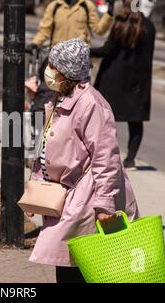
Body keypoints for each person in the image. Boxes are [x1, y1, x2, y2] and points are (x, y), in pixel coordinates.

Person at [25, 39, 139, 283]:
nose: (48, 71)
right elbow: (47, 146)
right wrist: (36, 192)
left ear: (67, 72)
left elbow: (106, 158)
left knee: (77, 267)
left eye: (53, 67)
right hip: (67, 197)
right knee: (66, 262)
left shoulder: (91, 104)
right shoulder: (61, 98)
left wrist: (105, 205)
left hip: (87, 200)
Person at [91, 0, 156, 169]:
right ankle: (130, 158)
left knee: (104, 119)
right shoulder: (149, 26)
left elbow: (107, 50)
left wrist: (85, 49)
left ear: (124, 2)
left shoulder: (119, 24)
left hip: (114, 79)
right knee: (135, 121)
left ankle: (107, 154)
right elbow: (148, 57)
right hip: (137, 81)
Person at [28, 0, 114, 51]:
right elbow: (44, 30)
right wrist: (35, 43)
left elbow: (99, 30)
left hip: (79, 61)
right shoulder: (53, 6)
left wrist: (109, 14)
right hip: (58, 58)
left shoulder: (87, 6)